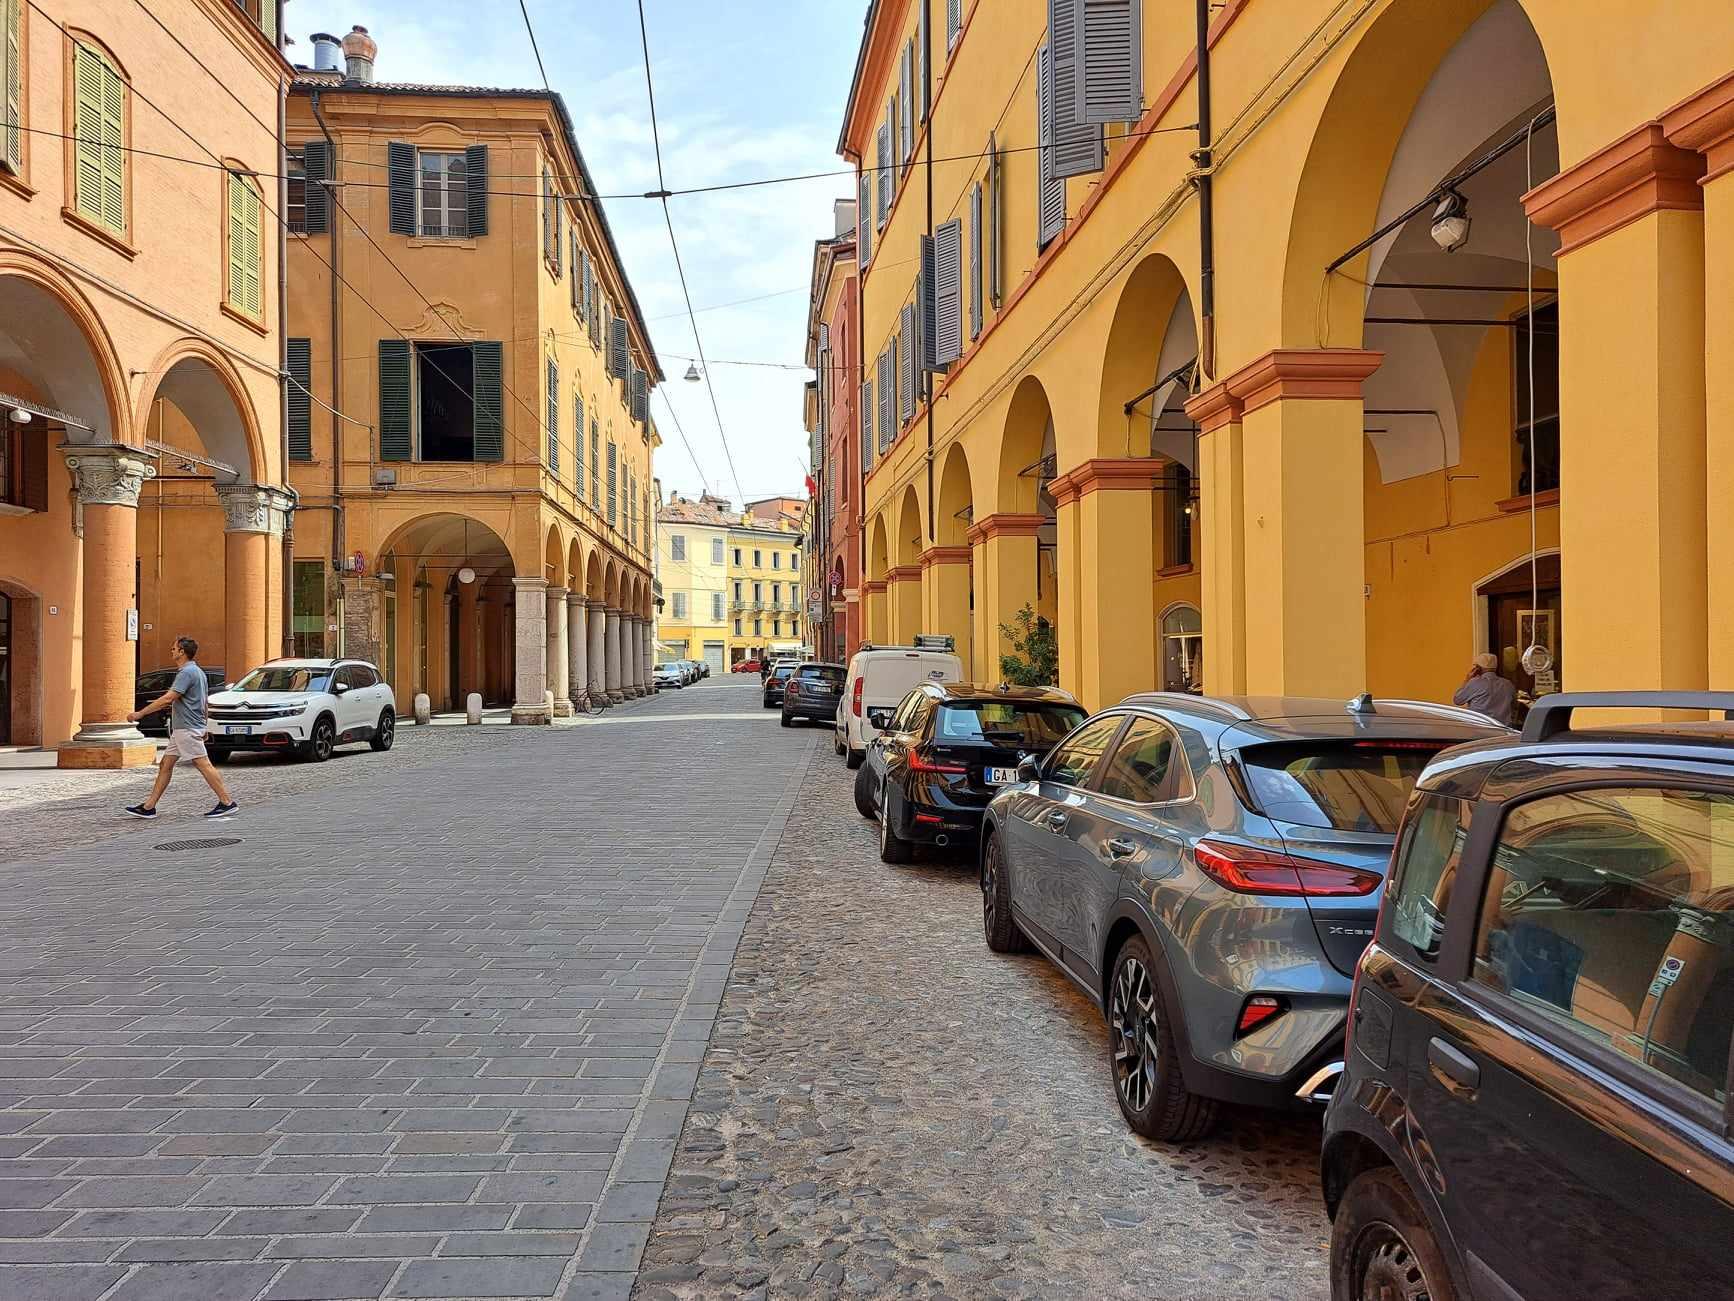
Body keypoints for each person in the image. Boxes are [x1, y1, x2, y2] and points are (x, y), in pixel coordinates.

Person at [124, 636, 238, 820]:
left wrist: (140, 714)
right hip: (185, 728)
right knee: (165, 765)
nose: (171, 651)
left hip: (187, 728)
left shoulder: (186, 673)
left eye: (173, 648)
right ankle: (149, 806)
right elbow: (204, 702)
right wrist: (204, 725)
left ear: (182, 652)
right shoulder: (198, 672)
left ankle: (226, 802)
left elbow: (169, 698)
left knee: (203, 764)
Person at [1453, 651, 1516, 726]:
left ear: (1478, 668)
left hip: (1480, 729)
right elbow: (1513, 705)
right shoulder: (1508, 684)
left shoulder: (1475, 683)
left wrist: (1467, 679)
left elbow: (1458, 700)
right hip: (1503, 729)